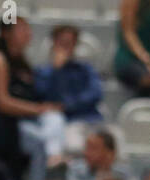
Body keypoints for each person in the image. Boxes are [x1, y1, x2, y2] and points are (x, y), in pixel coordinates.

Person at [0, 16, 68, 180]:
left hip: (18, 121)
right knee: (38, 142)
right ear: (6, 33)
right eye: (21, 29)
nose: (27, 34)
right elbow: (1, 103)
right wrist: (39, 109)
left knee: (54, 119)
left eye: (28, 29)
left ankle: (53, 157)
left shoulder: (22, 63)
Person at [36, 24, 105, 153]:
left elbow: (96, 93)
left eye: (70, 42)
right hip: (68, 123)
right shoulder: (43, 72)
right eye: (62, 42)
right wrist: (57, 71)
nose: (66, 46)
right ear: (54, 43)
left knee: (114, 142)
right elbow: (45, 97)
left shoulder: (86, 69)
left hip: (92, 119)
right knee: (75, 147)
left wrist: (68, 105)